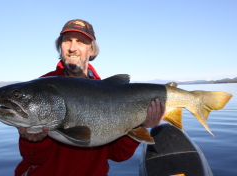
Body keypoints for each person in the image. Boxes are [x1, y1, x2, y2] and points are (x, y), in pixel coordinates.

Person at [15, 19, 166, 176]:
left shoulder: (109, 92)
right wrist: (32, 140)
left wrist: (140, 125)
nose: (72, 48)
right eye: (67, 41)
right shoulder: (40, 89)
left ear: (92, 50)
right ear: (60, 47)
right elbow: (34, 158)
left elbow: (118, 155)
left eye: (80, 42)